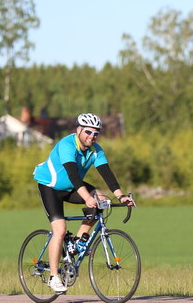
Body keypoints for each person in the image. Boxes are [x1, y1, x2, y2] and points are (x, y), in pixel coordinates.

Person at [33, 113, 134, 293]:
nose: (92, 136)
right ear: (79, 130)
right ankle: (54, 276)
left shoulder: (96, 149)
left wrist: (121, 196)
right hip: (51, 186)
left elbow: (107, 173)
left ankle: (77, 243)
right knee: (60, 230)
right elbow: (73, 175)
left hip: (71, 187)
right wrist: (87, 198)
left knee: (102, 200)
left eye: (96, 133)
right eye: (88, 132)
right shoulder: (66, 145)